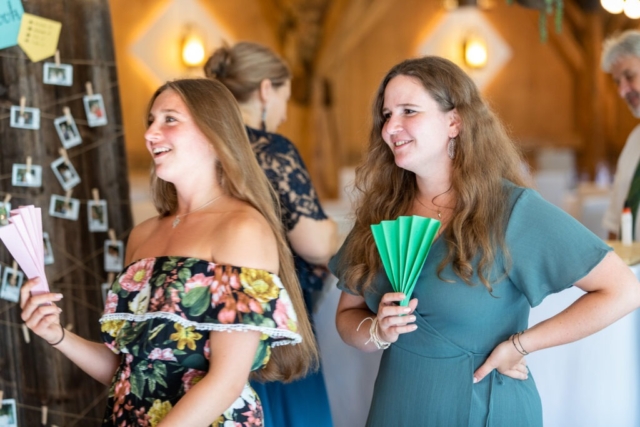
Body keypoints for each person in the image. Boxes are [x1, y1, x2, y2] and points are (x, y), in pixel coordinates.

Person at [329, 56, 640, 427]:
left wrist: (521, 345)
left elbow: (624, 290)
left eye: (408, 111)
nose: (390, 128)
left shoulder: (511, 210)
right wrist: (377, 332)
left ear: (454, 122)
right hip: (397, 405)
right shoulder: (380, 213)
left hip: (482, 407)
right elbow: (347, 316)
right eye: (386, 115)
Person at [19, 78, 318, 426]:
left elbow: (225, 382)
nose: (150, 133)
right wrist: (57, 335)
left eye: (169, 119)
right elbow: (131, 373)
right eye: (151, 121)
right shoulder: (143, 235)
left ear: (214, 133)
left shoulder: (242, 229)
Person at [205, 42, 337, 427]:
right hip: (271, 320)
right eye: (285, 97)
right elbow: (315, 245)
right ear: (266, 90)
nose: (284, 112)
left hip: (210, 314)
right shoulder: (270, 149)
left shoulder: (206, 148)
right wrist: (333, 228)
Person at [601, 30, 640, 241]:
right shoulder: (634, 142)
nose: (622, 91)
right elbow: (615, 222)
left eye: (629, 76)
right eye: (617, 82)